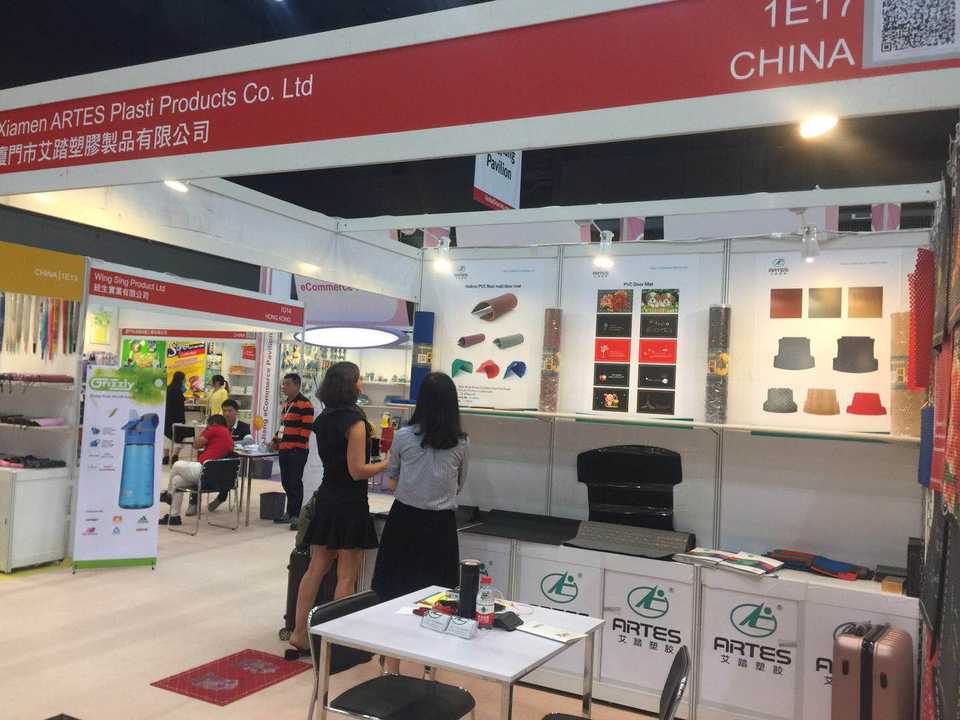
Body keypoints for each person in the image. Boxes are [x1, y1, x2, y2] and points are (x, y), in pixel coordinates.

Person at [288, 362, 388, 653]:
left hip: (327, 497)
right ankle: (335, 641)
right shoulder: (355, 422)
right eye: (359, 379)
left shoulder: (323, 419)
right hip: (350, 503)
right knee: (346, 575)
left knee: (315, 569)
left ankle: (298, 633)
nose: (362, 383)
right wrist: (386, 463)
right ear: (350, 384)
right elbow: (357, 471)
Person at [371, 372, 468, 625]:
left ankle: (391, 640)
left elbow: (390, 480)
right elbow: (459, 484)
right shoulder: (461, 443)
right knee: (439, 594)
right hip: (442, 525)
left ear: (421, 401)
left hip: (404, 519)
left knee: (396, 586)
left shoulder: (403, 436)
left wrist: (413, 486)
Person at [159, 414, 234, 526]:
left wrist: (205, 431)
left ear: (212, 423)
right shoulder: (227, 433)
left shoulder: (213, 429)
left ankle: (168, 495)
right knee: (177, 481)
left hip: (204, 471)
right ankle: (174, 517)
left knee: (177, 464)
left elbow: (196, 445)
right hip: (215, 477)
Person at [273, 373, 314, 529]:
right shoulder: (286, 404)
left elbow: (306, 429)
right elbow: (283, 427)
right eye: (283, 384)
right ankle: (289, 513)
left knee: (295, 483)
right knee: (286, 483)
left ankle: (296, 516)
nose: (284, 387)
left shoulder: (306, 404)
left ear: (297, 385)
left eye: (287, 384)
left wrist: (297, 448)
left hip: (297, 451)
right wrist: (275, 440)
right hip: (284, 449)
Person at [207, 398, 251, 513]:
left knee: (229, 465)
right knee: (200, 466)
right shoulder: (218, 425)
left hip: (231, 461)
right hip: (215, 458)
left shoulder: (244, 427)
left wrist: (229, 443)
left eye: (230, 411)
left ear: (236, 412)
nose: (226, 414)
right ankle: (194, 501)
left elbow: (249, 441)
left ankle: (221, 497)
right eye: (224, 411)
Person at [163, 371, 186, 465]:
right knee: (179, 436)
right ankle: (175, 456)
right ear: (181, 379)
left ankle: (165, 457)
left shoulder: (168, 389)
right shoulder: (179, 391)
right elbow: (180, 403)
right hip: (178, 417)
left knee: (166, 436)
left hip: (168, 417)